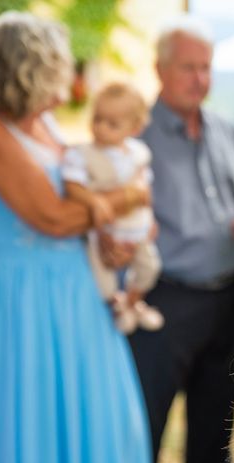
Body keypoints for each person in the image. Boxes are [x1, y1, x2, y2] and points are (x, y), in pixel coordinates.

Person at [0, 11, 151, 463]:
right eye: (58, 64)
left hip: (75, 291)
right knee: (26, 415)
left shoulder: (47, 126)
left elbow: (77, 209)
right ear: (29, 68)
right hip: (20, 297)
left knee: (93, 413)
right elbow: (51, 217)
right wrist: (128, 197)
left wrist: (110, 236)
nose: (69, 75)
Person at [127, 16, 234, 463]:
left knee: (215, 438)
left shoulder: (228, 131)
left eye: (207, 67)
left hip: (226, 303)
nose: (201, 79)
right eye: (188, 67)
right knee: (143, 431)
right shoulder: (137, 140)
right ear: (160, 69)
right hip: (161, 305)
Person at [63, 82, 163, 334]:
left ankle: (133, 302)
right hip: (103, 232)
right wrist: (94, 201)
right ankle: (116, 306)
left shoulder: (139, 153)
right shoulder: (82, 154)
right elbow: (72, 184)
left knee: (149, 267)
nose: (100, 128)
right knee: (103, 280)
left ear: (135, 127)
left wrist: (150, 220)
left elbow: (145, 190)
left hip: (137, 229)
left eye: (112, 124)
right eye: (97, 118)